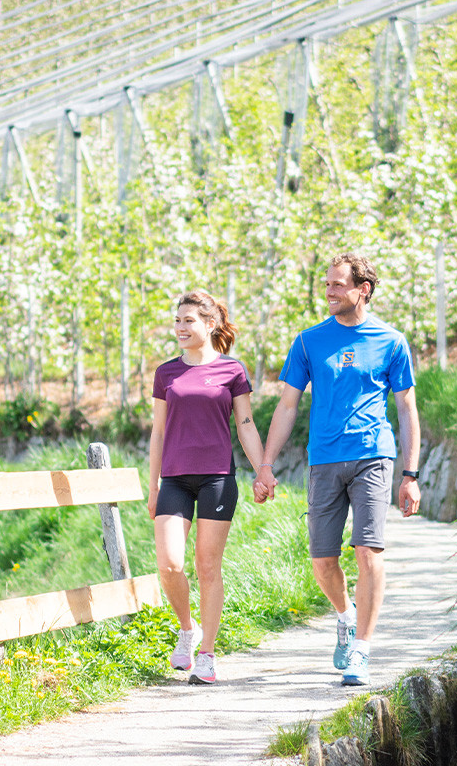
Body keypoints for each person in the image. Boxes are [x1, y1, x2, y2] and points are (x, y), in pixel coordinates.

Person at [254, 252, 421, 687]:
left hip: (373, 455)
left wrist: (411, 474)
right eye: (326, 284)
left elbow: (406, 409)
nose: (329, 292)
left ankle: (361, 649)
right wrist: (266, 465)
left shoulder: (391, 341)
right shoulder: (309, 341)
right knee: (323, 561)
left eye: (337, 284)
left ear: (363, 289)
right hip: (324, 460)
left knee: (368, 551)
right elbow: (287, 406)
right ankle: (346, 616)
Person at [149, 290, 267, 685]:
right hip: (174, 479)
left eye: (189, 321)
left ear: (210, 324)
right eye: (177, 321)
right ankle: (188, 629)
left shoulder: (232, 370)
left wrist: (262, 470)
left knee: (207, 567)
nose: (180, 328)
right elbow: (158, 432)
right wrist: (153, 486)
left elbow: (245, 425)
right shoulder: (166, 373)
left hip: (217, 477)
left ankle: (207, 655)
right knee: (170, 565)